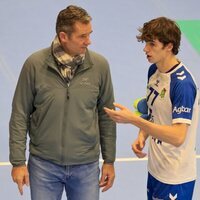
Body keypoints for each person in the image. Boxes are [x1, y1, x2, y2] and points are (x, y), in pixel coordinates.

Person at [9, 5, 116, 200]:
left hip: (86, 167)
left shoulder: (100, 66)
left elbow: (106, 116)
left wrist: (109, 160)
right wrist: (18, 162)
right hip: (43, 166)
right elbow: (20, 114)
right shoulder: (34, 65)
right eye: (82, 36)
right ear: (63, 36)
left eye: (89, 34)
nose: (88, 41)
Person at [104, 17, 199, 199]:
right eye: (146, 43)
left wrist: (133, 119)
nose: (145, 49)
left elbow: (178, 137)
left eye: (152, 44)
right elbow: (152, 113)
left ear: (169, 46)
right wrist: (142, 134)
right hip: (156, 169)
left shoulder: (183, 85)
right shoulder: (154, 71)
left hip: (175, 177)